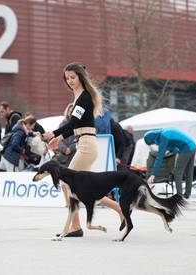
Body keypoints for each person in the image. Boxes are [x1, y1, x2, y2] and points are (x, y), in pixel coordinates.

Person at [43, 63, 123, 237]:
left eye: (73, 77)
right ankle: (120, 210)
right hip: (84, 143)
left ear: (80, 76)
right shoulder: (79, 96)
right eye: (67, 78)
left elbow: (73, 122)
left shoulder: (84, 97)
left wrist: (53, 133)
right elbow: (76, 126)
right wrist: (59, 138)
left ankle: (76, 227)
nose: (70, 81)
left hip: (87, 146)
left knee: (66, 183)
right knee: (87, 190)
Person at [144, 128, 196, 198]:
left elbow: (159, 157)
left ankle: (179, 196)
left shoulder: (163, 137)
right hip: (193, 145)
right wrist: (170, 151)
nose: (153, 143)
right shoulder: (163, 133)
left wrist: (153, 174)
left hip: (186, 148)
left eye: (152, 142)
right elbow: (174, 145)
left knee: (178, 172)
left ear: (152, 138)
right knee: (189, 172)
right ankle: (187, 194)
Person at [54, 103, 77, 167]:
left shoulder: (79, 124)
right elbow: (57, 138)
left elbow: (80, 139)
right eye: (70, 111)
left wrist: (70, 148)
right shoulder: (63, 123)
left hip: (74, 153)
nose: (71, 113)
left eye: (72, 111)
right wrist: (64, 148)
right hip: (62, 154)